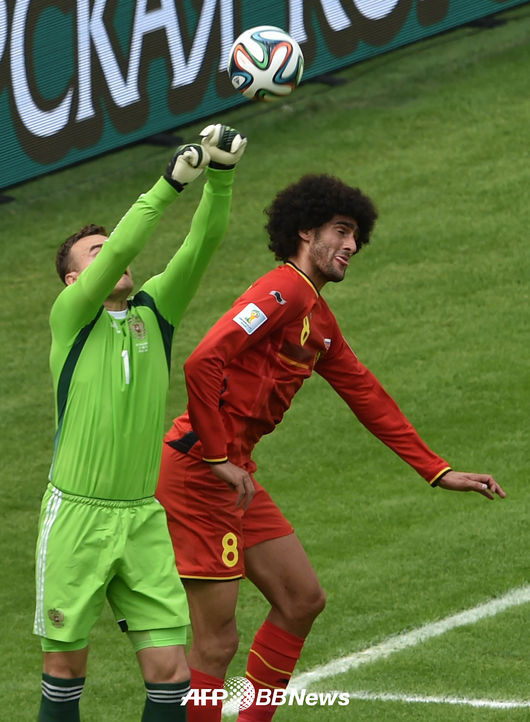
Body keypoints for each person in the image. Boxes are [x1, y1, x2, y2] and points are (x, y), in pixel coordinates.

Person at [155, 173, 505, 722]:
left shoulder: (318, 320)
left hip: (233, 473)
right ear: (305, 231)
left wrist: (438, 471)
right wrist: (219, 457)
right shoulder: (283, 291)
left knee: (301, 599)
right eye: (341, 231)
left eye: (356, 237)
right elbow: (203, 361)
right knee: (216, 643)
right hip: (200, 472)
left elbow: (367, 394)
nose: (351, 245)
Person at [33, 123, 247, 722]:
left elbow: (202, 244)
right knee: (65, 671)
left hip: (142, 518)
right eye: (96, 252)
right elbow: (124, 247)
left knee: (171, 674)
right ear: (74, 279)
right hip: (76, 518)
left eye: (111, 246)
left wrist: (221, 178)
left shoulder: (155, 312)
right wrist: (168, 185)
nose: (114, 255)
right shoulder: (71, 317)